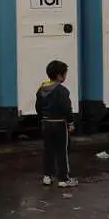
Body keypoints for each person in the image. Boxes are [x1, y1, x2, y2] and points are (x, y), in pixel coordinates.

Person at [35, 60, 77, 188]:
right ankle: (63, 179)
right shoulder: (62, 90)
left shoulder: (42, 89)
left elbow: (38, 107)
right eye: (65, 74)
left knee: (48, 150)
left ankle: (47, 176)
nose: (65, 77)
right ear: (59, 76)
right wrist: (70, 122)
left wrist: (43, 117)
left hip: (46, 123)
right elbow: (66, 108)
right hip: (59, 124)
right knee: (62, 151)